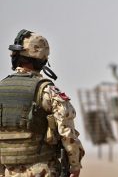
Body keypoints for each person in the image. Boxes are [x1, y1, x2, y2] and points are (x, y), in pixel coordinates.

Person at [0, 29, 84, 177]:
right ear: (42, 60)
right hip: (41, 171)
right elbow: (67, 132)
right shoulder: (47, 91)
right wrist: (75, 165)